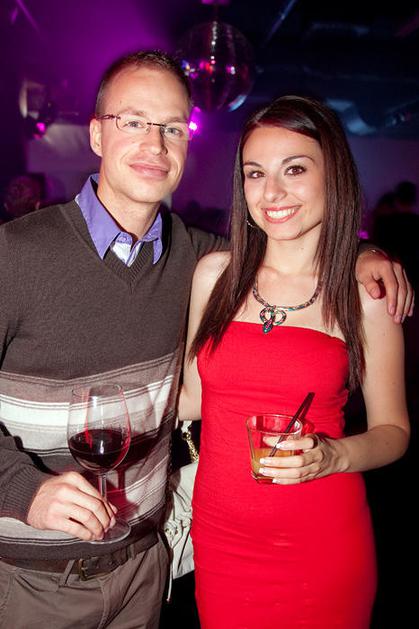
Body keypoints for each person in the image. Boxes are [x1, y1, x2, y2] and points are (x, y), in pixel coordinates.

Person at [0, 50, 412, 629]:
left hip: (156, 562)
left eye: (173, 127)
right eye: (133, 122)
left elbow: (390, 425)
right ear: (95, 134)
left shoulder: (200, 258)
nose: (154, 143)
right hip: (43, 571)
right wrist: (25, 490)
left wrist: (366, 254)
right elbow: (196, 394)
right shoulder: (19, 255)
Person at [179, 95, 410, 629]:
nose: (272, 193)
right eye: (255, 173)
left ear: (334, 175)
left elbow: (394, 431)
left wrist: (334, 456)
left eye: (295, 169)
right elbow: (190, 399)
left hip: (320, 544)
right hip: (221, 542)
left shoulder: (365, 291)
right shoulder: (214, 276)